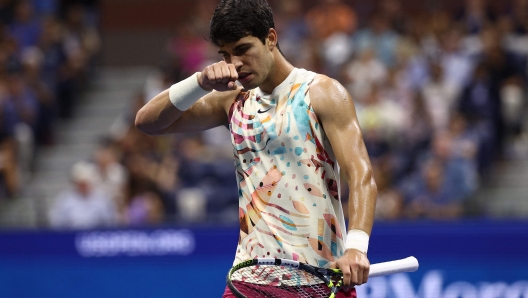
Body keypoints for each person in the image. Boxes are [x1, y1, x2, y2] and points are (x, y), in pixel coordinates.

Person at [135, 0, 377, 296]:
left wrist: (356, 248)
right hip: (251, 279)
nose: (234, 64)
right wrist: (199, 82)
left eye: (242, 49)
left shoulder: (322, 93)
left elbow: (361, 175)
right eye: (225, 54)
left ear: (271, 38)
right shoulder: (232, 100)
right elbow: (148, 122)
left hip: (321, 279)